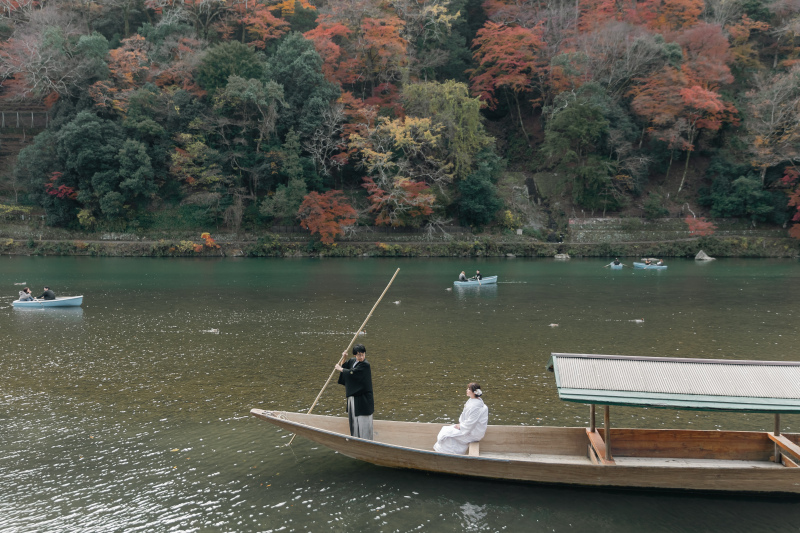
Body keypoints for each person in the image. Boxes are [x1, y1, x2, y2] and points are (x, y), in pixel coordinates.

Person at [433, 382, 489, 454]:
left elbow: (471, 422)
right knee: (445, 430)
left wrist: (461, 426)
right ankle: (446, 452)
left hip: (473, 432)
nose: (467, 390)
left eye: (469, 389)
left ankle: (450, 453)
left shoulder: (476, 406)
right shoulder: (473, 401)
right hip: (468, 428)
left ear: (474, 392)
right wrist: (461, 424)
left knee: (447, 434)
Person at [335, 344, 374, 440]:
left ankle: (365, 440)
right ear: (354, 355)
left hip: (363, 396)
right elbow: (345, 367)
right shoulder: (352, 361)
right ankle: (355, 438)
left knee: (362, 418)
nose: (361, 357)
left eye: (363, 354)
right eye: (359, 355)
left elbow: (352, 373)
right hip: (354, 395)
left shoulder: (365, 365)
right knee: (354, 419)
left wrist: (340, 369)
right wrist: (344, 358)